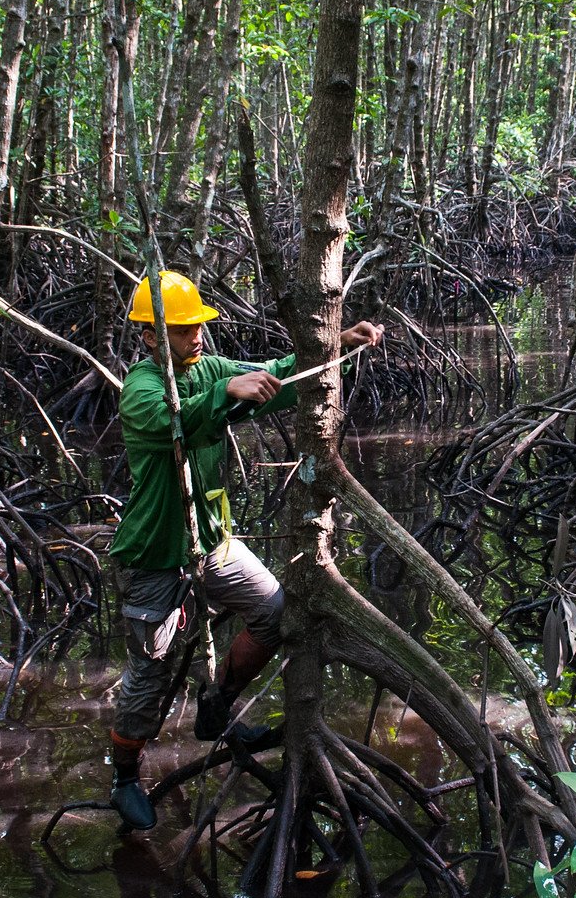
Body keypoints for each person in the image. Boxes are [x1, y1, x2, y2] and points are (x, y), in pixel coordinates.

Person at [105, 269, 383, 831]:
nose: (196, 337)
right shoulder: (140, 389)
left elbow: (273, 375)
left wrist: (340, 349)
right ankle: (126, 779)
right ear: (151, 336)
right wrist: (224, 393)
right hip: (155, 556)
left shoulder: (207, 368)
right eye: (182, 330)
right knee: (150, 676)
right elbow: (173, 423)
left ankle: (216, 708)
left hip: (212, 544)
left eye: (198, 326)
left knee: (275, 610)